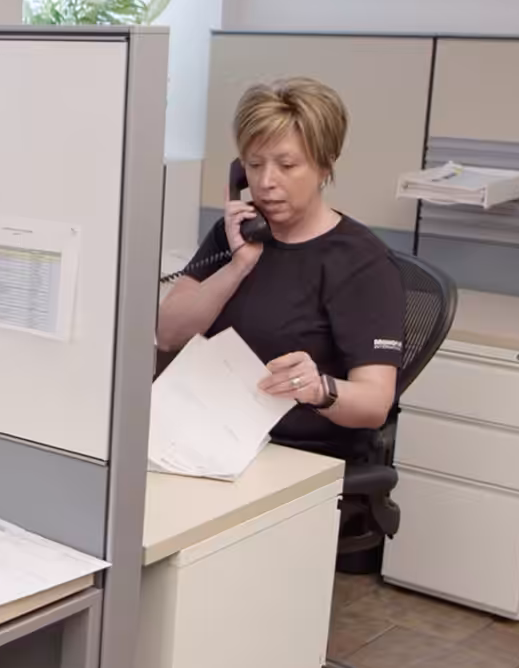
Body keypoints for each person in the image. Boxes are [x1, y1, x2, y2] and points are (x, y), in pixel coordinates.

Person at [156, 77, 405, 461]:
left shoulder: (361, 263)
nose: (266, 182)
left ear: (325, 167)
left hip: (295, 454)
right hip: (202, 437)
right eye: (254, 165)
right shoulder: (234, 235)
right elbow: (168, 333)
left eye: (287, 165)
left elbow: (374, 403)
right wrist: (237, 266)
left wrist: (319, 388)